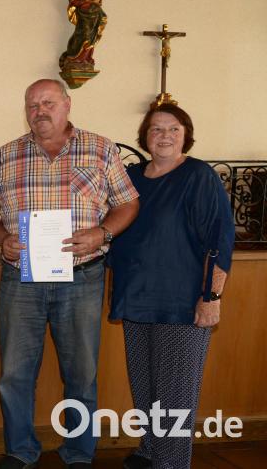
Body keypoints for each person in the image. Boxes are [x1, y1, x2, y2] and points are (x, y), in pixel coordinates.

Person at [0, 79, 140, 469]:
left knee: (81, 373)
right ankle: (20, 450)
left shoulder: (100, 149)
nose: (40, 111)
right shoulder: (6, 155)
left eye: (48, 102)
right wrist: (1, 237)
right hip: (20, 279)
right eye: (32, 104)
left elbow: (128, 204)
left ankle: (79, 453)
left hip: (82, 278)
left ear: (67, 105)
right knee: (14, 374)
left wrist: (102, 233)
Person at [108, 104, 234, 469]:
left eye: (173, 129)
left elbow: (220, 239)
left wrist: (211, 296)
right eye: (156, 129)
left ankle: (172, 462)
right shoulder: (131, 176)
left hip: (182, 302)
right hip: (136, 298)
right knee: (145, 385)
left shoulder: (199, 176)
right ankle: (150, 450)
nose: (164, 135)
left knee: (176, 393)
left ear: (185, 135)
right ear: (145, 136)